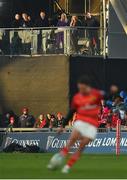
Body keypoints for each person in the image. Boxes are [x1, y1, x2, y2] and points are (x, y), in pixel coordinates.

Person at [47, 75, 103, 173]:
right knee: (71, 140)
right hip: (81, 121)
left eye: (82, 88)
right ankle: (57, 160)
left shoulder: (96, 94)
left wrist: (113, 91)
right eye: (79, 88)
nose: (80, 90)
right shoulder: (77, 97)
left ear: (87, 87)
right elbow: (71, 112)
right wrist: (62, 126)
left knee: (81, 147)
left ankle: (67, 166)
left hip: (92, 125)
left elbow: (107, 95)